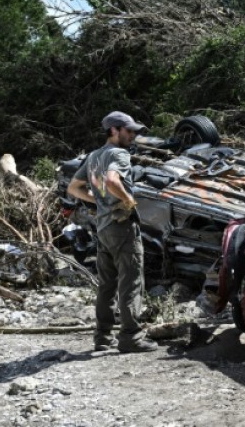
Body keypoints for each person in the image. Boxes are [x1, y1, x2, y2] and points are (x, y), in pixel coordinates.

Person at [67, 111, 158, 353]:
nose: (133, 135)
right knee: (131, 281)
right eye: (129, 131)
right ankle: (131, 337)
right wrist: (129, 201)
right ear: (114, 131)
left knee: (107, 285)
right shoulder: (119, 154)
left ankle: (103, 338)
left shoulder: (94, 156)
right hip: (122, 227)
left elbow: (74, 188)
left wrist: (98, 203)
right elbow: (111, 181)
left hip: (104, 228)